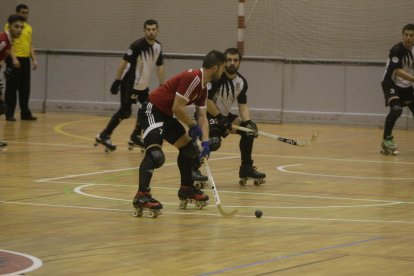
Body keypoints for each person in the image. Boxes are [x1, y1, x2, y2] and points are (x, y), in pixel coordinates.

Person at [132, 50, 226, 217]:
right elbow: (178, 107)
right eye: (222, 68)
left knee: (190, 150)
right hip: (152, 110)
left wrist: (205, 143)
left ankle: (186, 188)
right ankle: (142, 195)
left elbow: (203, 117)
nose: (223, 72)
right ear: (215, 68)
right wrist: (191, 124)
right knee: (155, 155)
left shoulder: (203, 87)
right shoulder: (194, 78)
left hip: (166, 115)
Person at [193, 47, 265, 185]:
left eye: (235, 60)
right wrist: (221, 118)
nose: (232, 63)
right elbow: (207, 101)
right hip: (207, 115)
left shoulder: (241, 82)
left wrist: (248, 121)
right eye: (229, 60)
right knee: (213, 141)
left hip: (223, 116)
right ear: (224, 62)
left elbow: (242, 105)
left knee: (248, 132)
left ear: (240, 62)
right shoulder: (216, 77)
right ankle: (193, 169)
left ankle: (246, 168)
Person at [95, 19, 165, 152]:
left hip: (143, 86)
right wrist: (117, 81)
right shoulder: (137, 46)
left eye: (153, 29)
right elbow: (123, 63)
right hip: (130, 84)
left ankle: (135, 136)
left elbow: (160, 66)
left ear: (157, 31)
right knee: (125, 112)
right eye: (148, 29)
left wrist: (162, 84)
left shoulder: (158, 47)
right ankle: (104, 135)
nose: (151, 32)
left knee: (148, 109)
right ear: (144, 31)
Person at [380, 23, 414, 155]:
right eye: (406, 35)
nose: (408, 38)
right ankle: (386, 140)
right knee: (396, 109)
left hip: (406, 86)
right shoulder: (396, 50)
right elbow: (397, 71)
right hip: (390, 83)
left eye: (411, 35)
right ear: (402, 35)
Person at [4, 4, 38, 121]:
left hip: (25, 60)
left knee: (25, 88)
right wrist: (13, 59)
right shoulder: (10, 27)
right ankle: (9, 113)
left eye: (26, 13)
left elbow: (30, 44)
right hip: (14, 59)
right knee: (12, 88)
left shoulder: (28, 28)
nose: (25, 15)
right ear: (17, 13)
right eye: (22, 12)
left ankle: (25, 112)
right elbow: (8, 44)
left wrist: (34, 59)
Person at [0, 15, 25, 148]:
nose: (19, 30)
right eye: (16, 26)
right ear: (8, 26)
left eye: (22, 27)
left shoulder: (9, 42)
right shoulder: (3, 40)